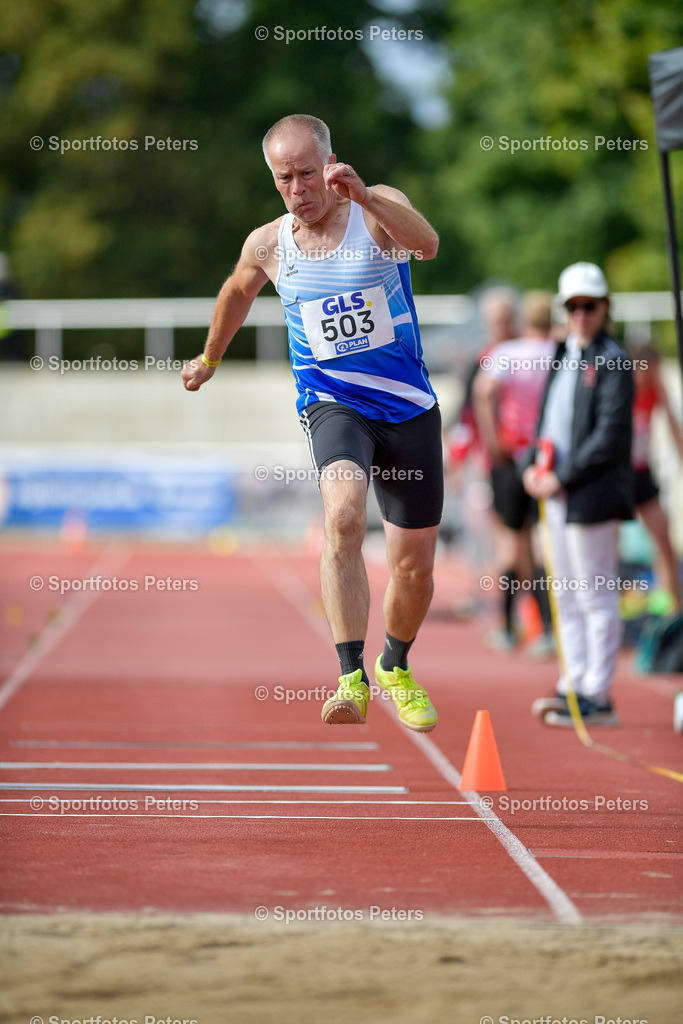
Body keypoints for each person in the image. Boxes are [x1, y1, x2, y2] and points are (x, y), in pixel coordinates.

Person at [181, 114, 442, 732]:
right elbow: (238, 291)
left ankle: (395, 665)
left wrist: (367, 194)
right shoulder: (270, 244)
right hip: (333, 405)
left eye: (305, 173)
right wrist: (210, 356)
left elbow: (427, 246)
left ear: (329, 163)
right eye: (282, 178)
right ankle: (349, 676)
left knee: (413, 566)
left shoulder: (378, 210)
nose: (296, 188)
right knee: (344, 516)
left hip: (407, 407)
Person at [521, 262, 634, 727]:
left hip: (590, 494)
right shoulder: (562, 353)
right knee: (565, 592)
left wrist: (561, 476)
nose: (582, 314)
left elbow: (609, 435)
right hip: (557, 492)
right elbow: (547, 420)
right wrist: (533, 465)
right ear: (564, 310)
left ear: (605, 308)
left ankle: (597, 692)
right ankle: (573, 682)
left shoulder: (614, 360)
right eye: (574, 306)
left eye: (590, 306)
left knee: (595, 592)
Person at [473, 291, 556, 655]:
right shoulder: (560, 352)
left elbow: (482, 392)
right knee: (541, 545)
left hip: (509, 459)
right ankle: (544, 629)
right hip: (546, 458)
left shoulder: (507, 354)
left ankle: (509, 627)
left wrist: (494, 443)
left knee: (512, 545)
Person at [630, 344, 683, 612]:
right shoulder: (622, 389)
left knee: (663, 535)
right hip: (616, 476)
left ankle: (675, 603)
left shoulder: (654, 389)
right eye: (650, 368)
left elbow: (672, 424)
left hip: (641, 472)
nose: (654, 374)